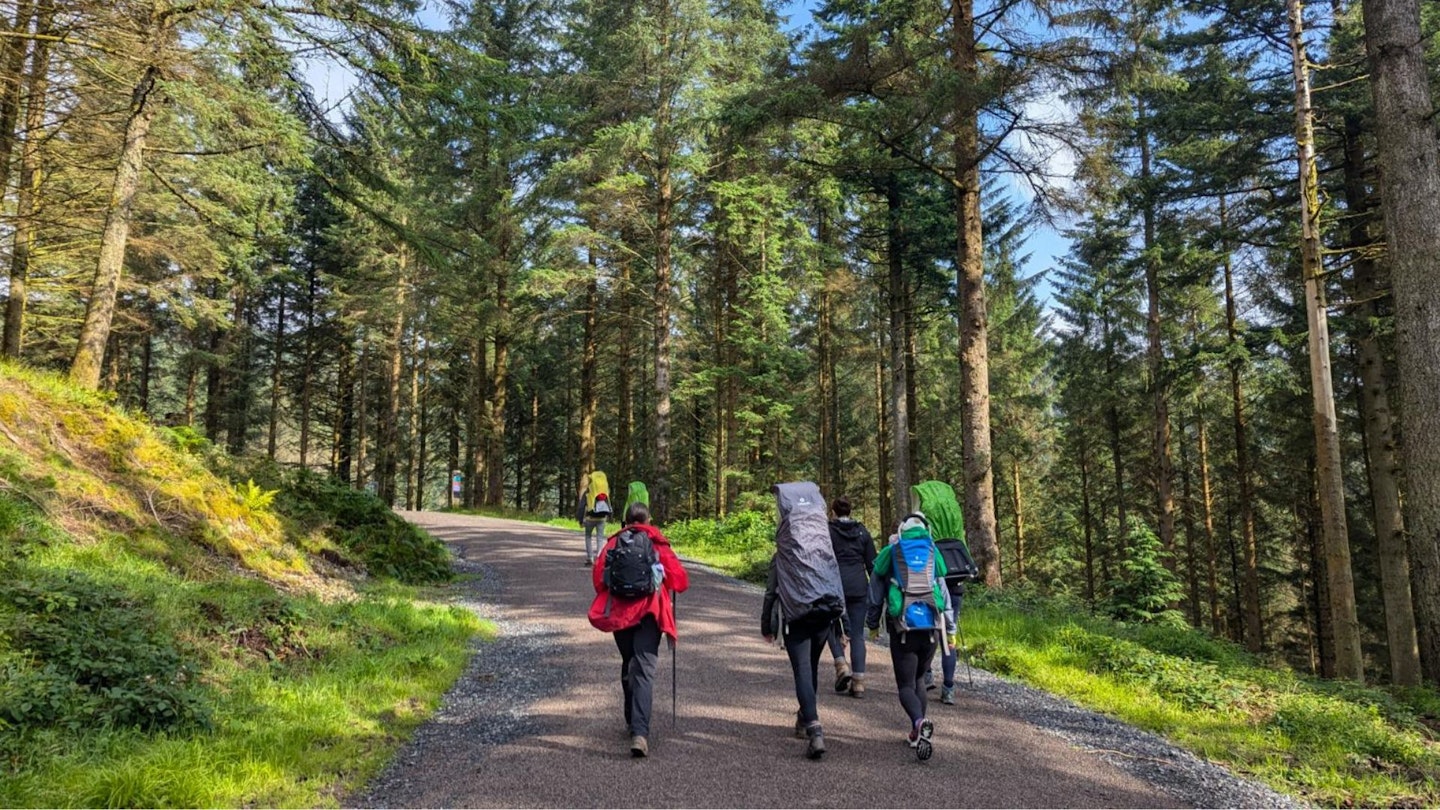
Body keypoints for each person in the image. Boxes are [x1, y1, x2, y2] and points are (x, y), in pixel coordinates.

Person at [587, 503, 690, 758]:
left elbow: (599, 579)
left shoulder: (613, 543)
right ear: (648, 519)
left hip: (621, 615)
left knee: (628, 661)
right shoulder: (657, 543)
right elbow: (681, 581)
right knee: (644, 669)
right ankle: (640, 733)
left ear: (626, 520)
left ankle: (631, 719)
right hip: (649, 614)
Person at [866, 512, 952, 761]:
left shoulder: (891, 551)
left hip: (903, 626)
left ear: (902, 529)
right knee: (919, 680)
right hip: (931, 627)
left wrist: (872, 623)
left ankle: (918, 722)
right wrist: (950, 625)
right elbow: (942, 577)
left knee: (905, 685)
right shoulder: (932, 550)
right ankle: (917, 734)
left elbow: (876, 586)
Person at [762, 558, 835, 760]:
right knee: (812, 667)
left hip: (795, 618)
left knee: (803, 669)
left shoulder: (783, 553)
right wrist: (842, 623)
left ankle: (814, 728)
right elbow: (835, 584)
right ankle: (804, 718)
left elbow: (771, 592)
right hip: (823, 615)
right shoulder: (822, 549)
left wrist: (766, 625)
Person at [824, 496, 876, 698]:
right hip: (858, 587)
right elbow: (872, 564)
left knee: (831, 625)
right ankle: (859, 682)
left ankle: (841, 665)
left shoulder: (828, 531)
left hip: (835, 585)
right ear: (850, 511)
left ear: (833, 512)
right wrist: (877, 593)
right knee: (857, 634)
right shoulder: (862, 532)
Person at [576, 472, 614, 567]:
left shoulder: (589, 491)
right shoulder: (605, 491)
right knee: (600, 538)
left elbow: (581, 506)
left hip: (590, 517)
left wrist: (580, 520)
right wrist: (611, 517)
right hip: (602, 518)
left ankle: (590, 558)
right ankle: (599, 558)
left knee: (588, 536)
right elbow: (609, 504)